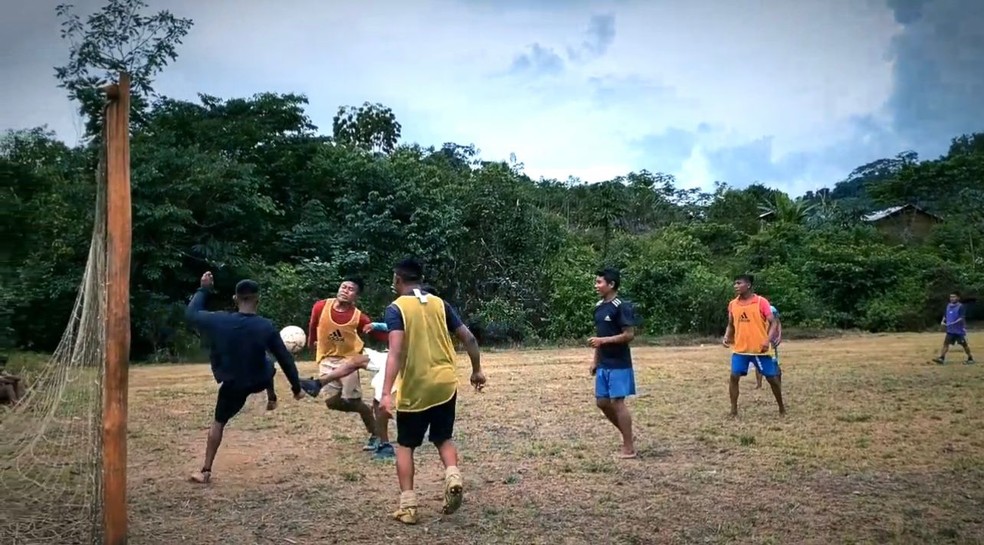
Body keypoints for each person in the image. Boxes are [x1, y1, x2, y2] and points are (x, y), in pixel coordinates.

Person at [184, 272, 366, 484]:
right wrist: (296, 388)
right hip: (260, 378)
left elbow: (191, 314)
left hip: (234, 384)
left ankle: (205, 471)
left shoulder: (218, 320)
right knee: (269, 363)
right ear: (257, 300)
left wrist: (204, 289)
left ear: (235, 299)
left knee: (218, 422)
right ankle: (271, 396)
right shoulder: (266, 326)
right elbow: (285, 359)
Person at [378, 260, 485, 525]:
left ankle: (408, 506)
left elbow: (395, 351)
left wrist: (386, 393)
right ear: (420, 279)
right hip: (445, 383)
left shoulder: (396, 308)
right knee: (443, 437)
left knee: (405, 445)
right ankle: (453, 474)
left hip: (416, 387)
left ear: (397, 280)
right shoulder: (440, 304)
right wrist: (477, 370)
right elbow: (469, 338)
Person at [301, 277, 389, 453]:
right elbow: (313, 325)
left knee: (352, 400)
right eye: (343, 287)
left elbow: (377, 334)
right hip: (327, 359)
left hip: (350, 360)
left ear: (356, 296)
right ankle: (365, 410)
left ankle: (375, 433)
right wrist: (311, 344)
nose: (345, 291)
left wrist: (398, 339)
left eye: (350, 289)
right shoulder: (321, 306)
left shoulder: (359, 317)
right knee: (331, 403)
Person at [588, 267, 639, 459]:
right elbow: (599, 336)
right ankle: (628, 435)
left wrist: (603, 341)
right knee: (602, 402)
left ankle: (629, 448)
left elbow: (629, 335)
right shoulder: (599, 307)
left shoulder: (621, 306)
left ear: (611, 284)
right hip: (604, 363)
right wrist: (595, 360)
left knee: (618, 402)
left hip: (619, 363)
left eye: (599, 282)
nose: (596, 285)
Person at [723, 274, 785, 417]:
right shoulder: (733, 304)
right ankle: (733, 410)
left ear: (748, 285)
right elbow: (731, 324)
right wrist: (727, 336)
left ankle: (781, 407)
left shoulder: (761, 302)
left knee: (772, 379)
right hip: (740, 350)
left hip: (760, 350)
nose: (735, 286)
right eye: (735, 283)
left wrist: (767, 340)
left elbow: (773, 322)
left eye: (739, 283)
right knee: (734, 376)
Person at [933, 292, 975, 365]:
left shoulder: (960, 306)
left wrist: (953, 323)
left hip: (958, 331)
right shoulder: (948, 306)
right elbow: (945, 315)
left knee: (964, 345)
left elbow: (961, 318)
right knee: (946, 344)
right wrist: (943, 321)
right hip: (950, 330)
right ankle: (941, 358)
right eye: (951, 297)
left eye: (954, 297)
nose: (952, 298)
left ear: (958, 298)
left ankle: (970, 358)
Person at [752, 304, 782, 389]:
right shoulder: (754, 310)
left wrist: (779, 336)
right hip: (759, 341)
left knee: (774, 362)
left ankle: (778, 383)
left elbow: (777, 322)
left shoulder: (772, 309)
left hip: (771, 341)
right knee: (758, 362)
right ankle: (759, 384)